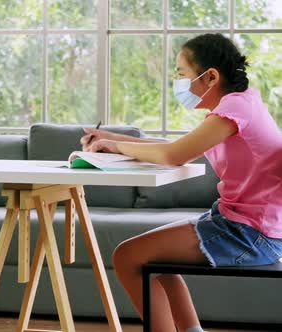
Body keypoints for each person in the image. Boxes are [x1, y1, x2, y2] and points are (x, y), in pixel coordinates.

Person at [82, 33, 282, 332]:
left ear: (210, 76)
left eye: (181, 74)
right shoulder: (239, 104)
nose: (178, 82)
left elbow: (175, 154)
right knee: (152, 260)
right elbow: (179, 147)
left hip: (250, 233)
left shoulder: (235, 110)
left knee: (128, 256)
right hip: (243, 223)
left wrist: (119, 146)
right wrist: (114, 140)